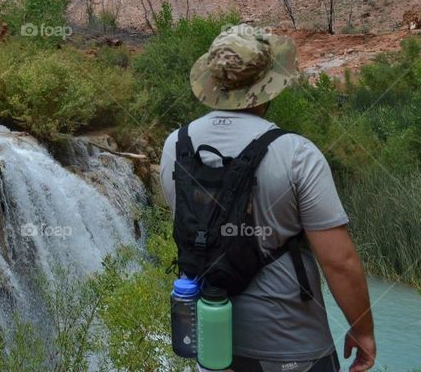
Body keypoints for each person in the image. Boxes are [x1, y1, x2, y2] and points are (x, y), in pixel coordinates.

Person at [159, 25, 376, 372]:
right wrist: (362, 330)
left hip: (213, 344)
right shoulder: (296, 153)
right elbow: (339, 261)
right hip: (293, 347)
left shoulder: (175, 146)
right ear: (266, 88)